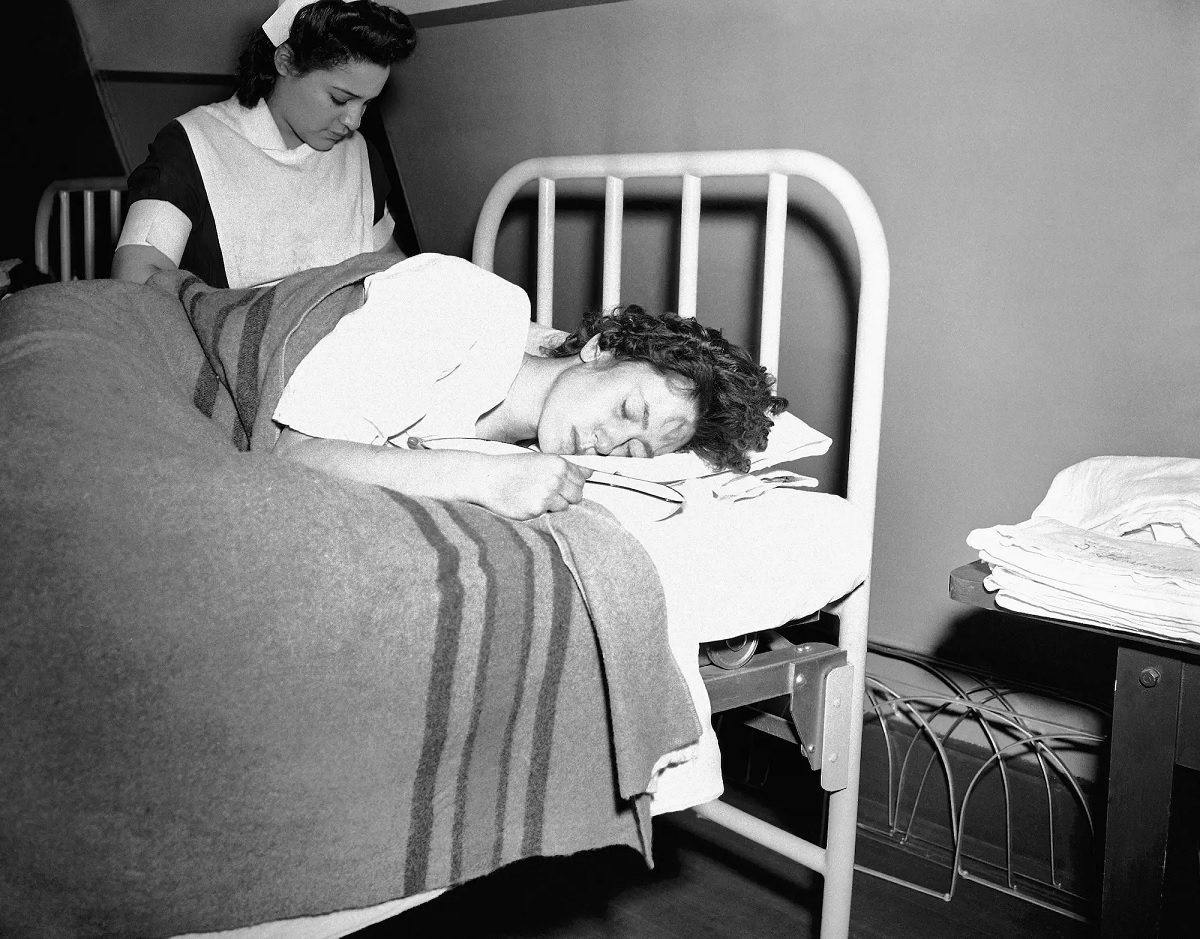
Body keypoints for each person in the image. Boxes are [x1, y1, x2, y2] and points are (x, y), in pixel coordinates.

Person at [271, 253, 787, 520]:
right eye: (629, 410)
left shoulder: (518, 457)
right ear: (600, 349)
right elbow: (293, 455)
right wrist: (486, 480)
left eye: (636, 449)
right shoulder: (465, 303)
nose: (609, 442)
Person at [112, 0, 417, 289]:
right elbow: (135, 277)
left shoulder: (359, 154)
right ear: (285, 62)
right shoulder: (192, 145)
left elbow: (390, 269)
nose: (354, 121)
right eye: (340, 99)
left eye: (366, 104)